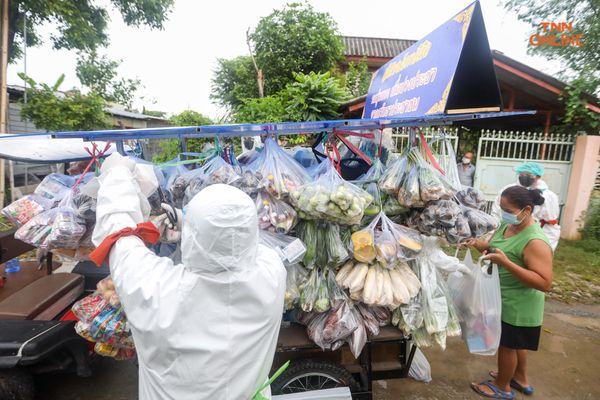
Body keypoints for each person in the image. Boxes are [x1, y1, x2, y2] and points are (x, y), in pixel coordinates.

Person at [91, 153, 286, 400]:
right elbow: (237, 240)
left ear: (194, 237)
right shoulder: (272, 275)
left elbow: (118, 233)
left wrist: (116, 175)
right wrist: (190, 224)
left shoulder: (155, 288)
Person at [468, 185, 553, 399]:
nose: (504, 213)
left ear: (527, 210)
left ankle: (501, 386)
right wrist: (482, 246)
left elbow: (544, 282)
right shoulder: (507, 224)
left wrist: (506, 264)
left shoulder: (535, 241)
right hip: (503, 297)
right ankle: (519, 378)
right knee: (517, 344)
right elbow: (499, 250)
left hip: (519, 304)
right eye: (501, 207)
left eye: (508, 209)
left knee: (507, 345)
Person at [491, 162, 560, 251]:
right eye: (522, 174)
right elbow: (496, 210)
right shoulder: (509, 190)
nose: (524, 176)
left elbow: (550, 221)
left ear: (538, 176)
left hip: (537, 232)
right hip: (509, 229)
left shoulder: (549, 196)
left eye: (528, 174)